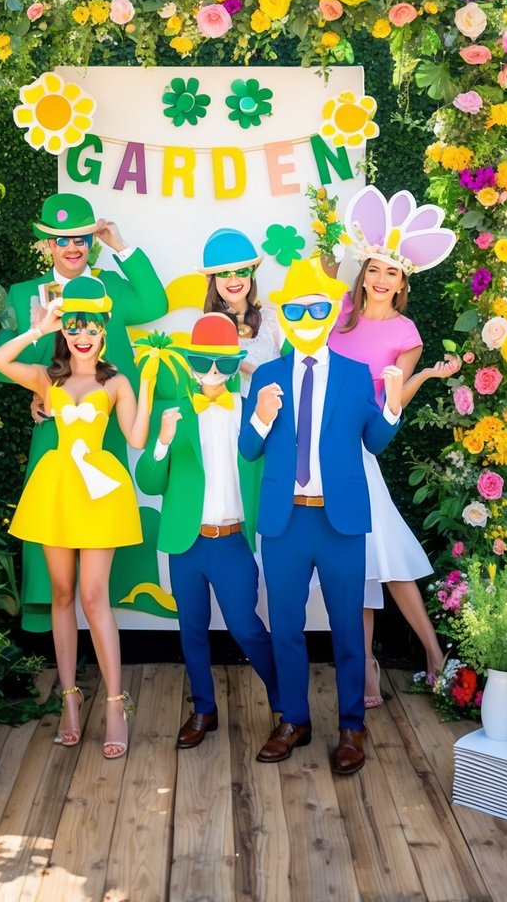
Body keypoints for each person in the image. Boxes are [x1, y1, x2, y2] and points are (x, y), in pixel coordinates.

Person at [239, 257, 403, 776]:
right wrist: (261, 419)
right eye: (296, 309)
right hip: (285, 523)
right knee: (285, 626)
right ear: (285, 315)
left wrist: (394, 405)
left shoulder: (357, 377)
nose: (307, 316)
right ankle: (294, 719)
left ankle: (352, 725)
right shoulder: (266, 375)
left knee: (347, 630)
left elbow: (373, 441)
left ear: (332, 311)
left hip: (340, 524)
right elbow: (247, 450)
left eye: (317, 307)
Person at [0, 275, 158, 756]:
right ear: (66, 332)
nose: (82, 336)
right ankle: (69, 699)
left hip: (99, 490)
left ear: (104, 330)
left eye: (91, 327)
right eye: (74, 327)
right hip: (59, 486)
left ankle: (114, 702)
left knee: (92, 595)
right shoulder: (48, 377)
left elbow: (137, 440)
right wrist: (38, 329)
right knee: (62, 592)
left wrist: (145, 386)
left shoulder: (116, 382)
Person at [0, 193, 167, 632]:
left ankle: (104, 624)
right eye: (63, 240)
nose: (73, 248)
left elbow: (155, 304)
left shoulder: (114, 287)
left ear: (93, 241)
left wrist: (121, 244)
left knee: (101, 532)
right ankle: (60, 641)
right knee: (53, 539)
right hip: (53, 432)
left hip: (105, 427)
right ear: (47, 244)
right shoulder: (22, 294)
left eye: (83, 239)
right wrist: (39, 388)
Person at [328, 185, 460, 706]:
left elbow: (394, 399)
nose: (380, 280)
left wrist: (425, 373)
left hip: (359, 448)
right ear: (362, 273)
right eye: (374, 270)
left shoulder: (407, 333)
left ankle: (433, 653)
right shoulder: (338, 312)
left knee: (386, 558)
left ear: (403, 282)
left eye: (392, 273)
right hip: (321, 443)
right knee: (357, 564)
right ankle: (366, 671)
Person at [135, 313, 279, 749]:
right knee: (191, 628)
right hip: (187, 543)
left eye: (223, 363)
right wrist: (161, 440)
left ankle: (283, 702)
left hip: (233, 540)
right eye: (203, 361)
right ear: (190, 361)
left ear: (237, 363)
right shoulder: (173, 411)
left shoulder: (252, 412)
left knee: (246, 627)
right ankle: (203, 709)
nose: (213, 372)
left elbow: (268, 467)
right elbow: (149, 482)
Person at [200, 229, 281, 399]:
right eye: (224, 273)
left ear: (251, 274)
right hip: (233, 419)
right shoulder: (207, 328)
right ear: (211, 279)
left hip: (278, 414)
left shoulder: (271, 319)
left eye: (242, 271)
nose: (234, 281)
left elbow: (293, 366)